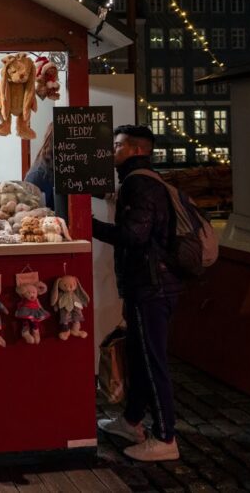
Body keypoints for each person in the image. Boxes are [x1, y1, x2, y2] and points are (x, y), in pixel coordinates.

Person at [92, 125, 182, 462]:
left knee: (153, 359)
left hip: (152, 286)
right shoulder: (140, 180)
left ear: (136, 149)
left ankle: (165, 436)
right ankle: (132, 421)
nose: (112, 151)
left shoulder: (139, 183)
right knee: (140, 355)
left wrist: (90, 226)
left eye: (117, 146)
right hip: (148, 283)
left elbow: (135, 235)